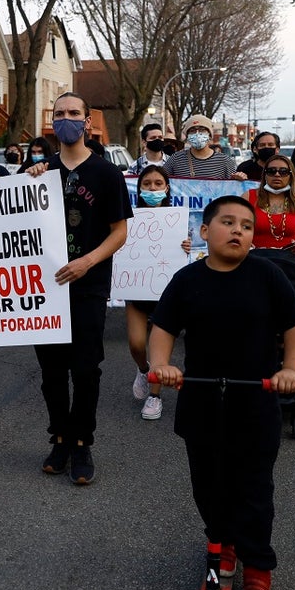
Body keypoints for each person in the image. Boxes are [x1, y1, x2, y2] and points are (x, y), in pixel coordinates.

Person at [148, 195, 295, 590]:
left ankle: (258, 566)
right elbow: (163, 327)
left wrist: (291, 369)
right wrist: (161, 365)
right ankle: (222, 547)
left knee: (253, 489)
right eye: (228, 222)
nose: (238, 230)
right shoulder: (186, 280)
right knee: (208, 486)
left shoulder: (267, 275)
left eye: (247, 226)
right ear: (205, 231)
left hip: (255, 400)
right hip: (201, 400)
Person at [25, 92, 132, 485]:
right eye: (59, 114)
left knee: (86, 369)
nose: (66, 119)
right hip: (45, 289)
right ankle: (60, 437)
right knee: (51, 371)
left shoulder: (106, 174)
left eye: (74, 113)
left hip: (89, 287)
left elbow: (119, 231)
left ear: (87, 122)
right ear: (51, 122)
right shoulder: (40, 172)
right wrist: (28, 180)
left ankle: (83, 441)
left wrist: (88, 260)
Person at [127, 166, 175, 420]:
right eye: (147, 184)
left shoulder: (175, 219)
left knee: (159, 351)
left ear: (166, 188)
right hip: (136, 290)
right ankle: (143, 369)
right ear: (139, 188)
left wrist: (184, 245)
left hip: (166, 295)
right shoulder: (128, 217)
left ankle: (155, 397)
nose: (153, 189)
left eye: (158, 184)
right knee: (136, 344)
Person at [163, 114, 247, 181]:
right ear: (187, 136)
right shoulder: (176, 159)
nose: (197, 134)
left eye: (202, 130)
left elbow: (233, 188)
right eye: (192, 130)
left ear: (210, 135)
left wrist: (240, 179)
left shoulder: (225, 161)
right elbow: (161, 180)